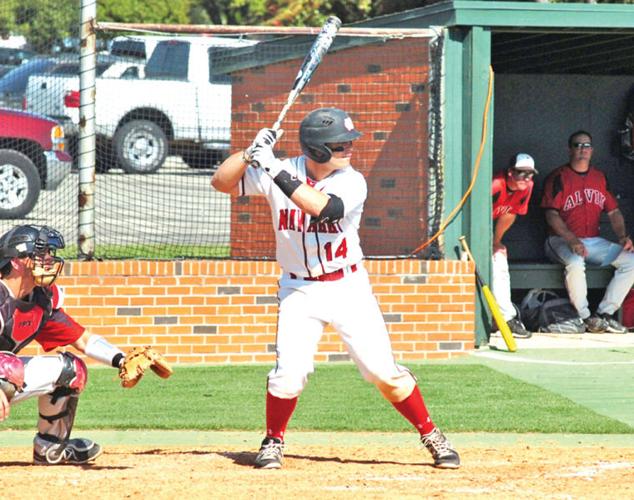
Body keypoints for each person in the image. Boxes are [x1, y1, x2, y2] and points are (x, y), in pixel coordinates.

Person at [211, 107, 460, 470]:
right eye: (340, 144)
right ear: (317, 149)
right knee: (288, 375)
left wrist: (272, 165)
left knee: (383, 374)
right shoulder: (277, 168)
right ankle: (273, 440)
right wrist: (250, 153)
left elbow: (322, 209)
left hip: (348, 288)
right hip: (299, 290)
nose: (349, 149)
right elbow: (221, 182)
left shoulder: (352, 180)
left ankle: (431, 433)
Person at [0, 224, 130, 464]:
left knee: (71, 371)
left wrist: (122, 359)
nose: (49, 259)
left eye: (49, 252)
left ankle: (51, 447)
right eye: (41, 253)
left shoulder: (41, 300)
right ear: (17, 261)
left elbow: (81, 338)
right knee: (6, 368)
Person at [541, 130, 634, 333]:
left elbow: (614, 211)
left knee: (631, 261)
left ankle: (604, 315)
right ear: (569, 149)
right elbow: (551, 215)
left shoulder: (599, 177)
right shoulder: (558, 177)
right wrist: (571, 239)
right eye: (578, 145)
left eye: (586, 146)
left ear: (592, 150)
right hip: (558, 241)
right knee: (575, 262)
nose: (582, 150)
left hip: (592, 242)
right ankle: (584, 317)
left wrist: (622, 237)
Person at [491, 153, 538, 338]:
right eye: (521, 173)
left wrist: (496, 242)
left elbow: (510, 214)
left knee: (500, 262)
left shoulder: (526, 188)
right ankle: (506, 318)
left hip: (490, 234)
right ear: (510, 172)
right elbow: (476, 212)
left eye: (530, 174)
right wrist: (483, 242)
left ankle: (506, 319)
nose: (526, 178)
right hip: (470, 233)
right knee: (498, 265)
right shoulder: (496, 185)